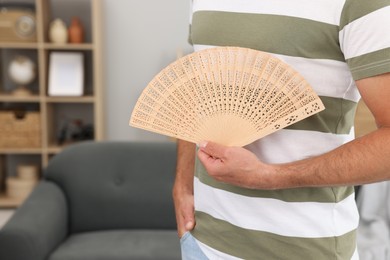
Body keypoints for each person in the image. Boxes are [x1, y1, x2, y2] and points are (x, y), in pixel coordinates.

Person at [173, 0, 390, 259]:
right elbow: (197, 84)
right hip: (203, 245)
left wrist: (269, 176)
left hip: (304, 249)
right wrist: (183, 184)